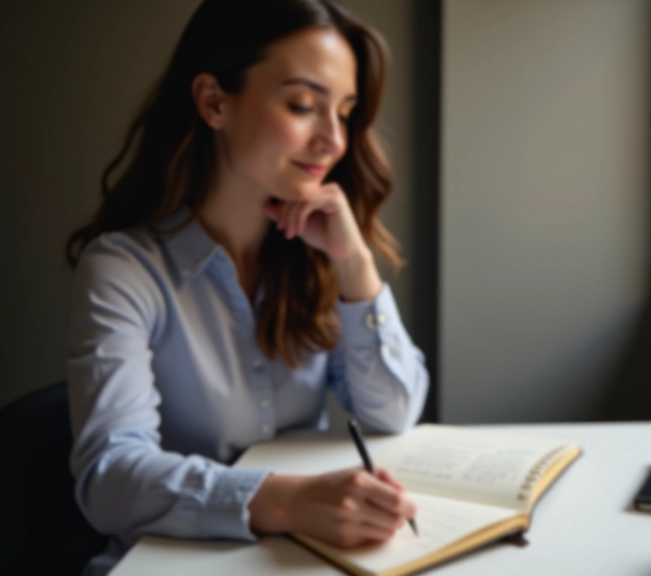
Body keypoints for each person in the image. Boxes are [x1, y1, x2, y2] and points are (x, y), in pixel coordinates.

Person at [64, 1, 428, 574]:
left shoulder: (317, 257)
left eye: (345, 112)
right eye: (302, 105)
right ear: (214, 101)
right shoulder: (124, 270)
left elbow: (393, 415)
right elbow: (111, 479)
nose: (334, 140)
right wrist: (287, 501)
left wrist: (355, 264)